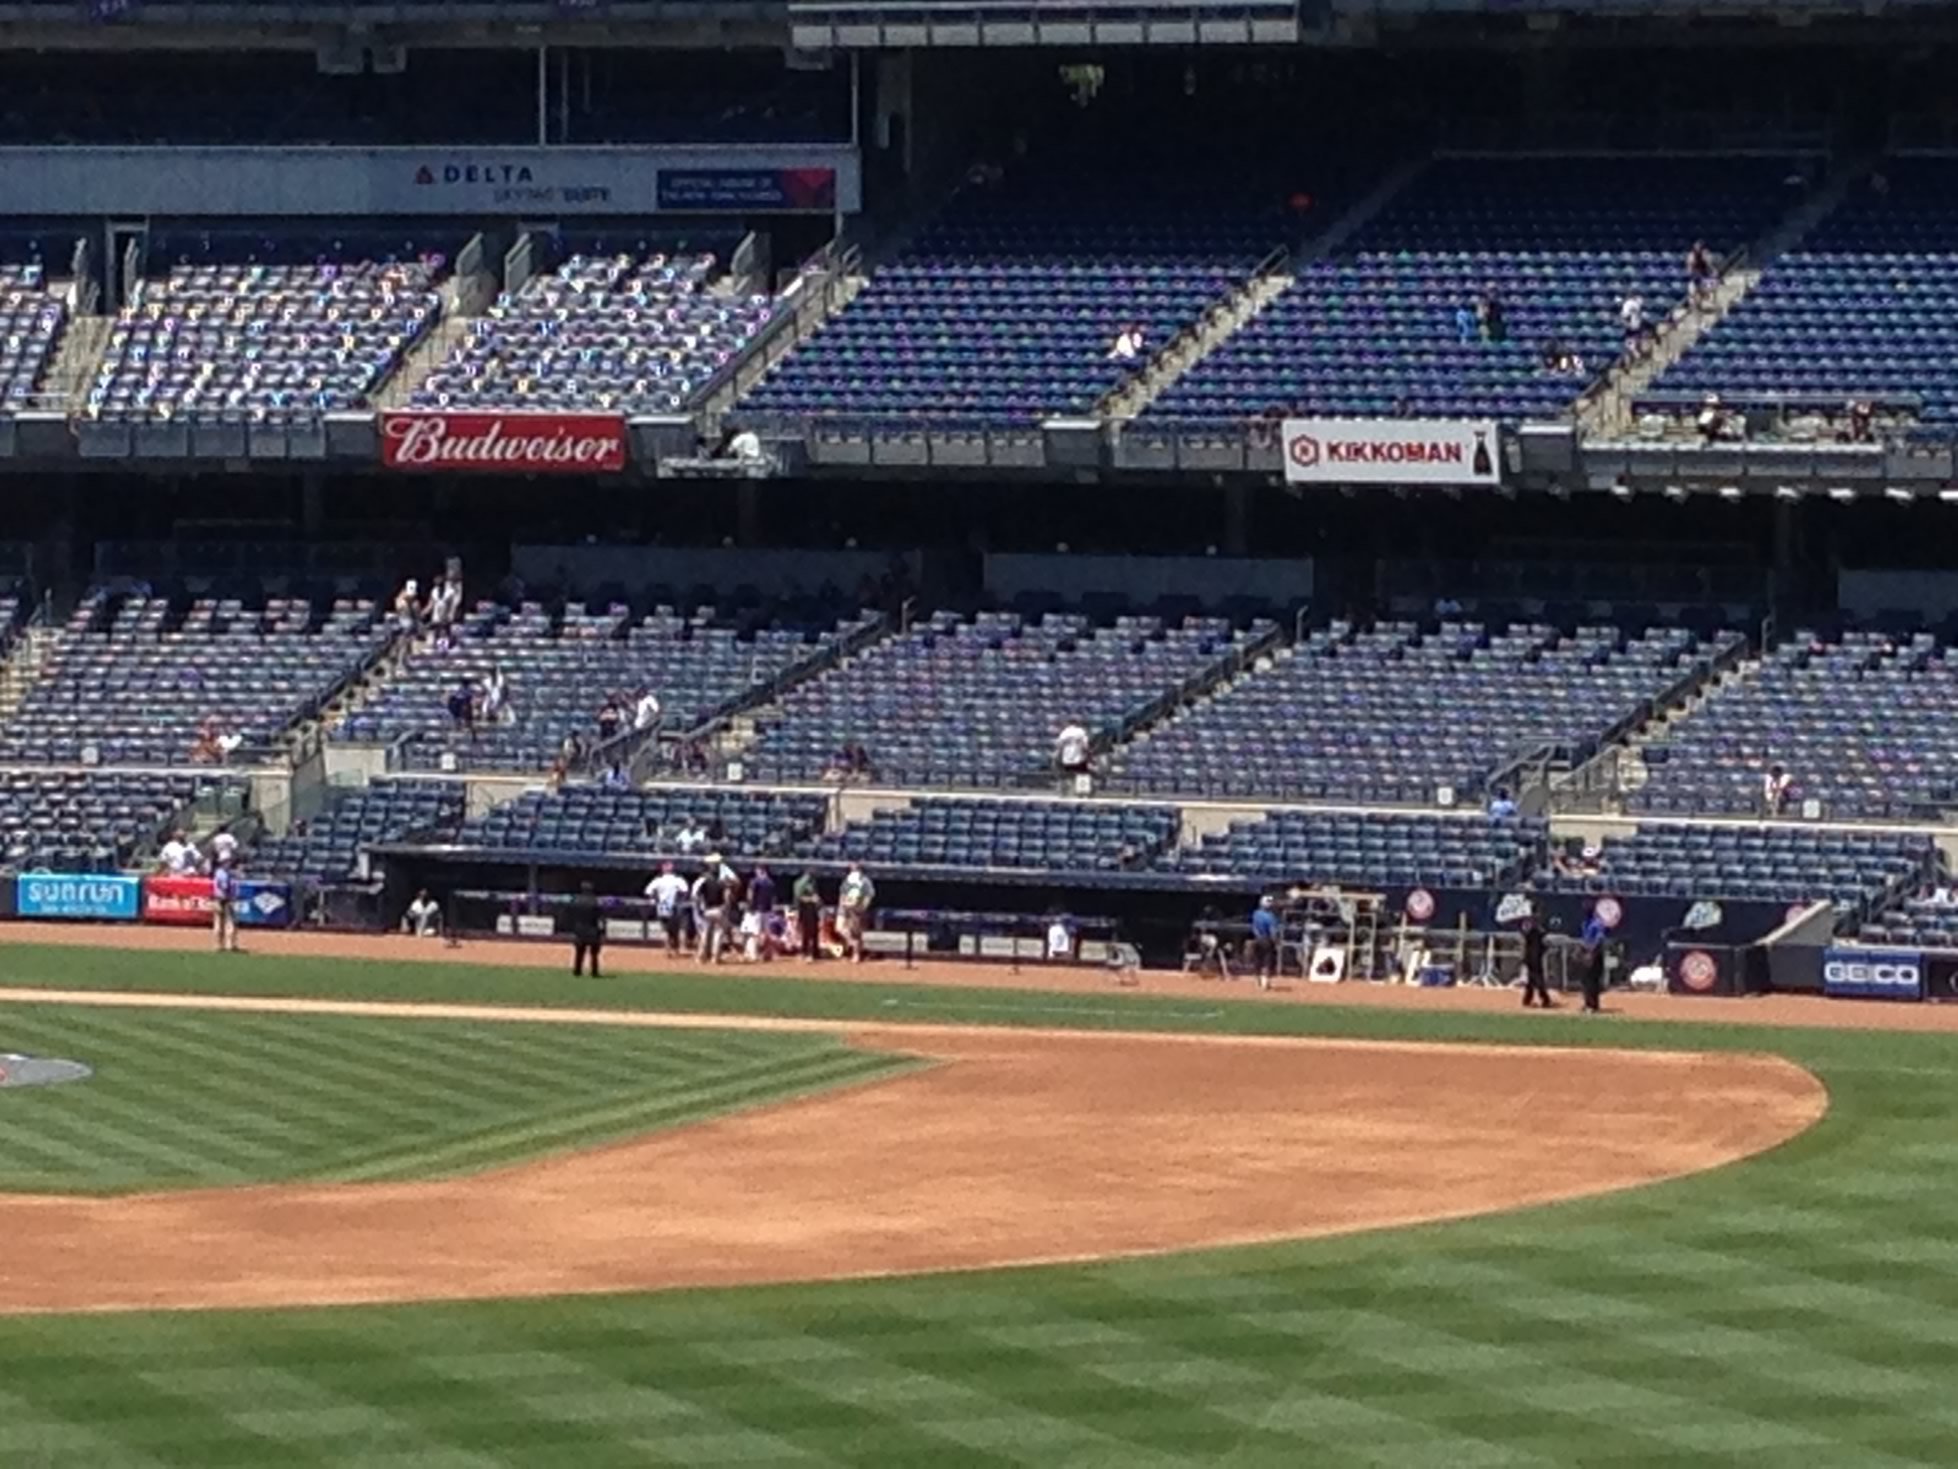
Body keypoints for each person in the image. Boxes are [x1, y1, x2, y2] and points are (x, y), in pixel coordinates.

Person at [645, 861, 688, 953]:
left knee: (665, 929)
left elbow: (648, 891)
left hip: (662, 906)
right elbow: (685, 891)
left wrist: (655, 899)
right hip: (675, 906)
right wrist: (680, 899)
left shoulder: (658, 880)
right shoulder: (678, 880)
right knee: (681, 928)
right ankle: (682, 948)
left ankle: (667, 949)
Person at [838, 862, 875, 962]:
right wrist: (842, 905)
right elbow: (842, 894)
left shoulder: (865, 881)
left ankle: (856, 954)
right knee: (840, 929)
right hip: (845, 908)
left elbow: (869, 895)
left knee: (856, 933)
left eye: (855, 869)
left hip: (856, 909)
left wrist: (863, 907)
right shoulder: (848, 880)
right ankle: (854, 949)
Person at [692, 863, 728, 963]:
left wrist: (699, 909)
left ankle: (701, 957)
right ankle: (715, 958)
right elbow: (726, 897)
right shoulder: (722, 882)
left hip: (707, 910)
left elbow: (697, 897)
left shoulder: (705, 882)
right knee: (718, 934)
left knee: (704, 934)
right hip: (718, 909)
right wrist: (725, 907)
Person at [568, 881, 603, 977]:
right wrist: (601, 930)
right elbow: (599, 916)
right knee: (594, 954)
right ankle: (594, 972)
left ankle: (577, 971)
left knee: (579, 952)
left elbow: (571, 914)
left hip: (579, 929)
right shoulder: (595, 901)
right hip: (592, 929)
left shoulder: (576, 900)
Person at [1579, 905, 1609, 1014]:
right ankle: (1587, 1003)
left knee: (1592, 980)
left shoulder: (1597, 924)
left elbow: (1599, 939)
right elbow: (1584, 939)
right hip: (1586, 952)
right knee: (1585, 980)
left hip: (1595, 954)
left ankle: (1593, 1005)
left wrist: (1591, 952)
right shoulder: (1584, 924)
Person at [1519, 914, 1553, 1009]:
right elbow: (1525, 936)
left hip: (1536, 955)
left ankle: (1543, 999)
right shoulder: (1527, 925)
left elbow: (1543, 939)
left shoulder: (1538, 928)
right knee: (1532, 978)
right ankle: (1529, 998)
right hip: (1530, 955)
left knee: (1537, 978)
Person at [1249, 894, 1281, 992]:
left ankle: (1258, 981)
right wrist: (1276, 942)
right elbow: (1273, 931)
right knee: (1267, 961)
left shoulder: (1256, 914)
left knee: (1258, 961)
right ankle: (1265, 983)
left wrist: (1257, 936)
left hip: (1257, 939)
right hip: (1267, 940)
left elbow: (1254, 928)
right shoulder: (1271, 917)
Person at [211, 857, 241, 954]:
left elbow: (233, 887)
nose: (228, 863)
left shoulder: (227, 873)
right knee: (224, 922)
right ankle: (222, 945)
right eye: (226, 862)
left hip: (223, 899)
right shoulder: (222, 873)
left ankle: (226, 945)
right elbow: (224, 886)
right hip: (222, 899)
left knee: (226, 922)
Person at [793, 870, 823, 961]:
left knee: (814, 932)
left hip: (813, 910)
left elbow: (817, 898)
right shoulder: (800, 883)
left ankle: (814, 952)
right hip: (805, 910)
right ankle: (805, 952)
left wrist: (817, 901)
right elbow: (799, 897)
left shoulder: (813, 883)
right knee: (806, 932)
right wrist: (811, 899)